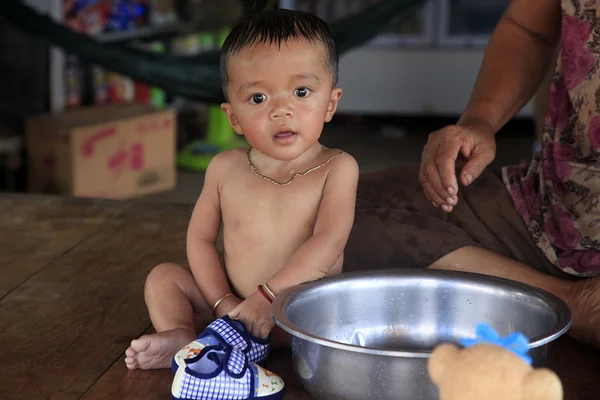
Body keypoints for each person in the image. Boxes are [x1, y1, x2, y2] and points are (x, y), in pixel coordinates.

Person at [344, 0, 600, 347]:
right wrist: (480, 122)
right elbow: (529, 29)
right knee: (320, 212)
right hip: (544, 208)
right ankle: (565, 303)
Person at [125, 9, 359, 370]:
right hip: (233, 308)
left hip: (300, 315)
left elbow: (328, 242)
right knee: (163, 278)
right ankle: (183, 336)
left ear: (330, 103)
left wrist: (267, 297)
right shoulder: (225, 167)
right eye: (258, 99)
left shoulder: (336, 168)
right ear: (232, 116)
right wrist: (223, 304)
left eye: (301, 92)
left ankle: (243, 343)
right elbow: (200, 240)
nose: (282, 111)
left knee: (344, 313)